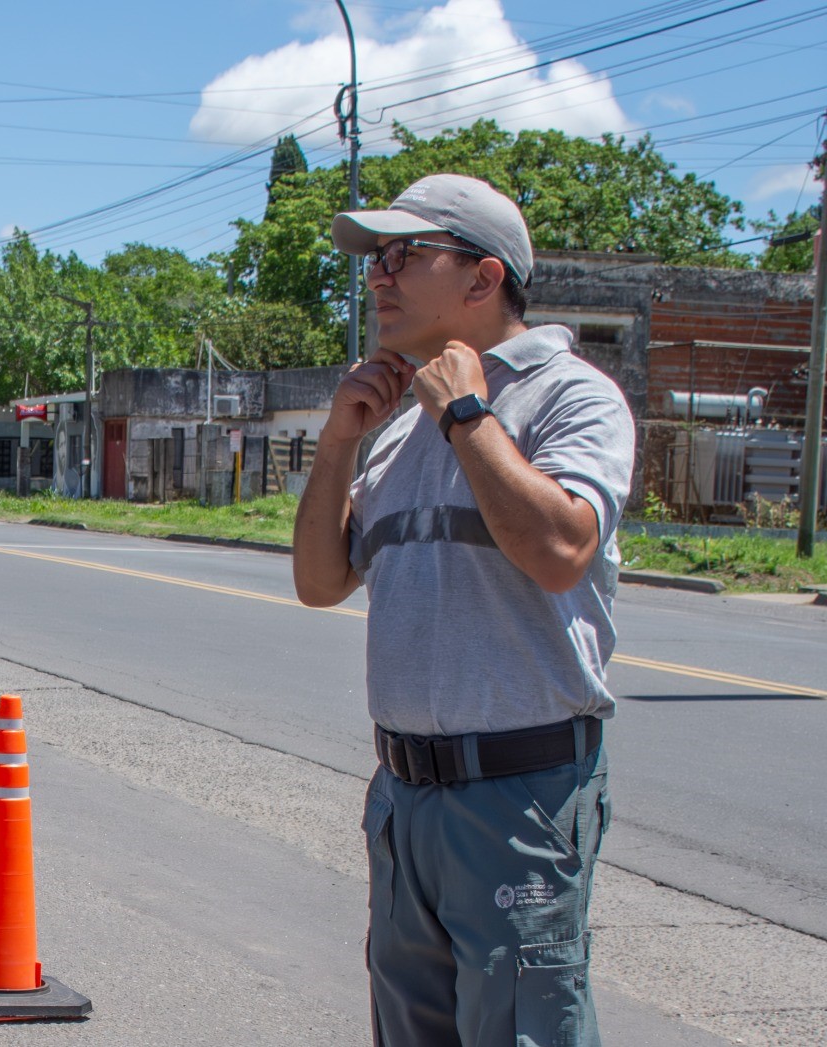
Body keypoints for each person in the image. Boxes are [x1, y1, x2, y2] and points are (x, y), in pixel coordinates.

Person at [291, 174, 634, 1047]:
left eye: (403, 255)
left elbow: (560, 551)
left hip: (518, 795)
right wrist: (340, 439)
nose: (378, 276)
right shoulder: (400, 423)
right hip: (407, 799)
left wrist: (469, 415)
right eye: (374, 259)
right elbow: (320, 580)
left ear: (483, 279)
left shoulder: (570, 396)